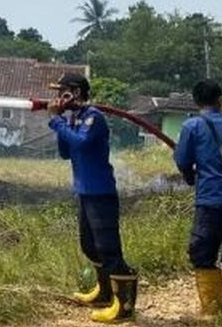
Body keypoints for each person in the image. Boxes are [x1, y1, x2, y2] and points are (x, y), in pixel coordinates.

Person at [47, 72, 138, 323]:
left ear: (75, 92)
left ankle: (124, 307)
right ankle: (105, 294)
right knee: (90, 246)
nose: (57, 97)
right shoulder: (76, 118)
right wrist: (61, 122)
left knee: (109, 250)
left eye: (62, 91)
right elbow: (67, 151)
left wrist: (57, 122)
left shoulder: (93, 117)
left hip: (101, 194)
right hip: (85, 193)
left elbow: (84, 144)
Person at [174, 79, 222, 316]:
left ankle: (213, 312)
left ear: (197, 102)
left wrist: (191, 177)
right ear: (220, 100)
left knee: (203, 253)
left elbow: (182, 161)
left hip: (211, 201)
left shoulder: (192, 126)